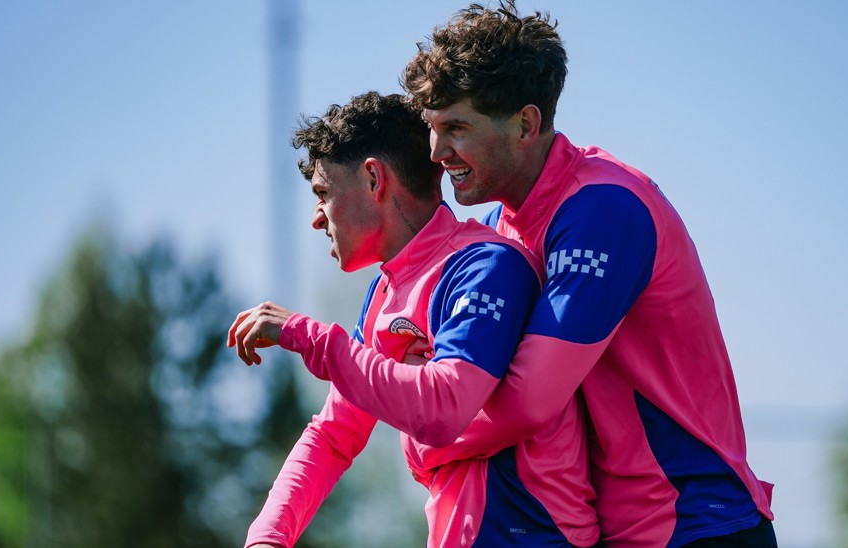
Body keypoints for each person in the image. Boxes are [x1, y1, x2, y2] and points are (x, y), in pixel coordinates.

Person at [394, 2, 778, 546]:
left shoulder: (601, 208)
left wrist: (427, 438)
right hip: (620, 531)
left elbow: (527, 400)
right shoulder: (503, 225)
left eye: (456, 127)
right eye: (432, 128)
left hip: (696, 525)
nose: (436, 152)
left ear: (526, 123)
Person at [228, 91, 598, 547]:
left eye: (323, 193)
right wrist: (267, 537)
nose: (316, 218)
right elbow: (333, 435)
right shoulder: (385, 292)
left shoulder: (484, 264)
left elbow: (445, 407)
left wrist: (307, 337)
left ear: (372, 178)